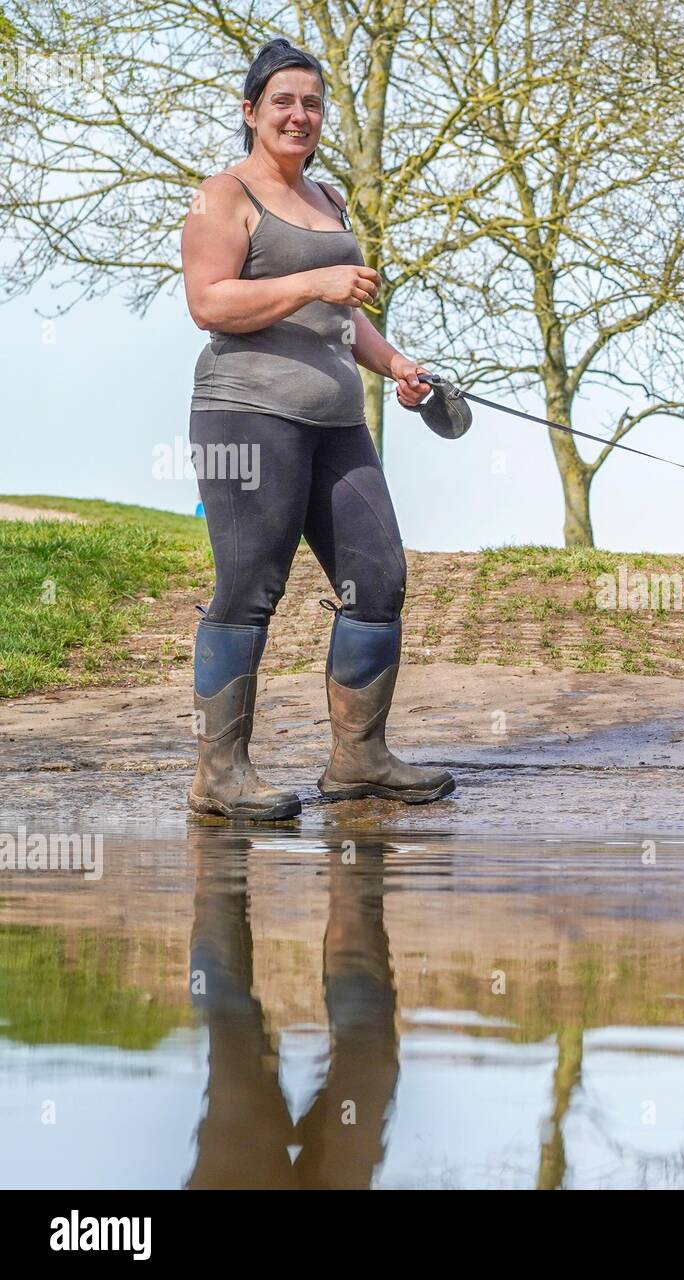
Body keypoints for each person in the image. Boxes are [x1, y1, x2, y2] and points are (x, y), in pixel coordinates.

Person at [180, 37, 453, 820]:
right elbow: (209, 303)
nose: (300, 115)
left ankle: (358, 759)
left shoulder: (328, 198)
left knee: (380, 578)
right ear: (251, 111)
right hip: (247, 415)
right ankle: (219, 776)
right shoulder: (223, 195)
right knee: (250, 588)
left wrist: (396, 363)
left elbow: (341, 314)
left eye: (312, 102)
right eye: (283, 102)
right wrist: (316, 279)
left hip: (338, 421)